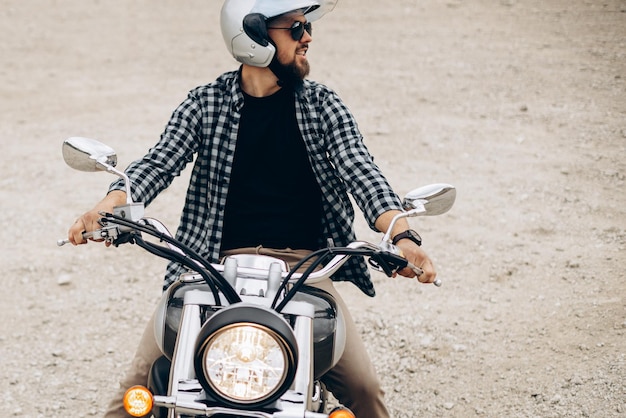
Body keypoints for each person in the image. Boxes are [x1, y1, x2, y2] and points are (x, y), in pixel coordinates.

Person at [68, 1, 437, 417]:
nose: (308, 38)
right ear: (255, 36)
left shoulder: (322, 106)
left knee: (364, 392)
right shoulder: (206, 103)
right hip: (210, 267)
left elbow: (361, 172)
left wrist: (402, 237)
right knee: (134, 393)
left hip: (305, 272)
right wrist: (106, 208)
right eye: (296, 29)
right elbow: (159, 161)